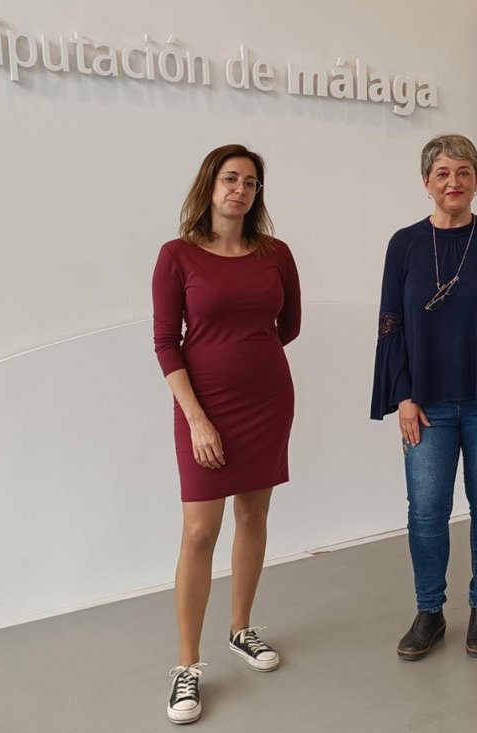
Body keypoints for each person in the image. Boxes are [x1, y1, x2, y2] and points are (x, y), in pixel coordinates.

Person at [371, 133, 477, 661]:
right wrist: (402, 396)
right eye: (443, 173)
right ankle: (430, 612)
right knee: (426, 511)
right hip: (426, 405)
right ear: (426, 182)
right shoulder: (404, 244)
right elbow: (391, 325)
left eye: (463, 172)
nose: (453, 182)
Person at [152, 144, 301, 724]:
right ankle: (187, 664)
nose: (240, 190)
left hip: (268, 402)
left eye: (251, 182)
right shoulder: (177, 256)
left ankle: (241, 628)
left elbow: (288, 325)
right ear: (209, 186)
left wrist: (246, 356)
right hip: (204, 407)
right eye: (230, 179)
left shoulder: (276, 254)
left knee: (253, 516)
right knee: (198, 533)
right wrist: (197, 416)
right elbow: (166, 342)